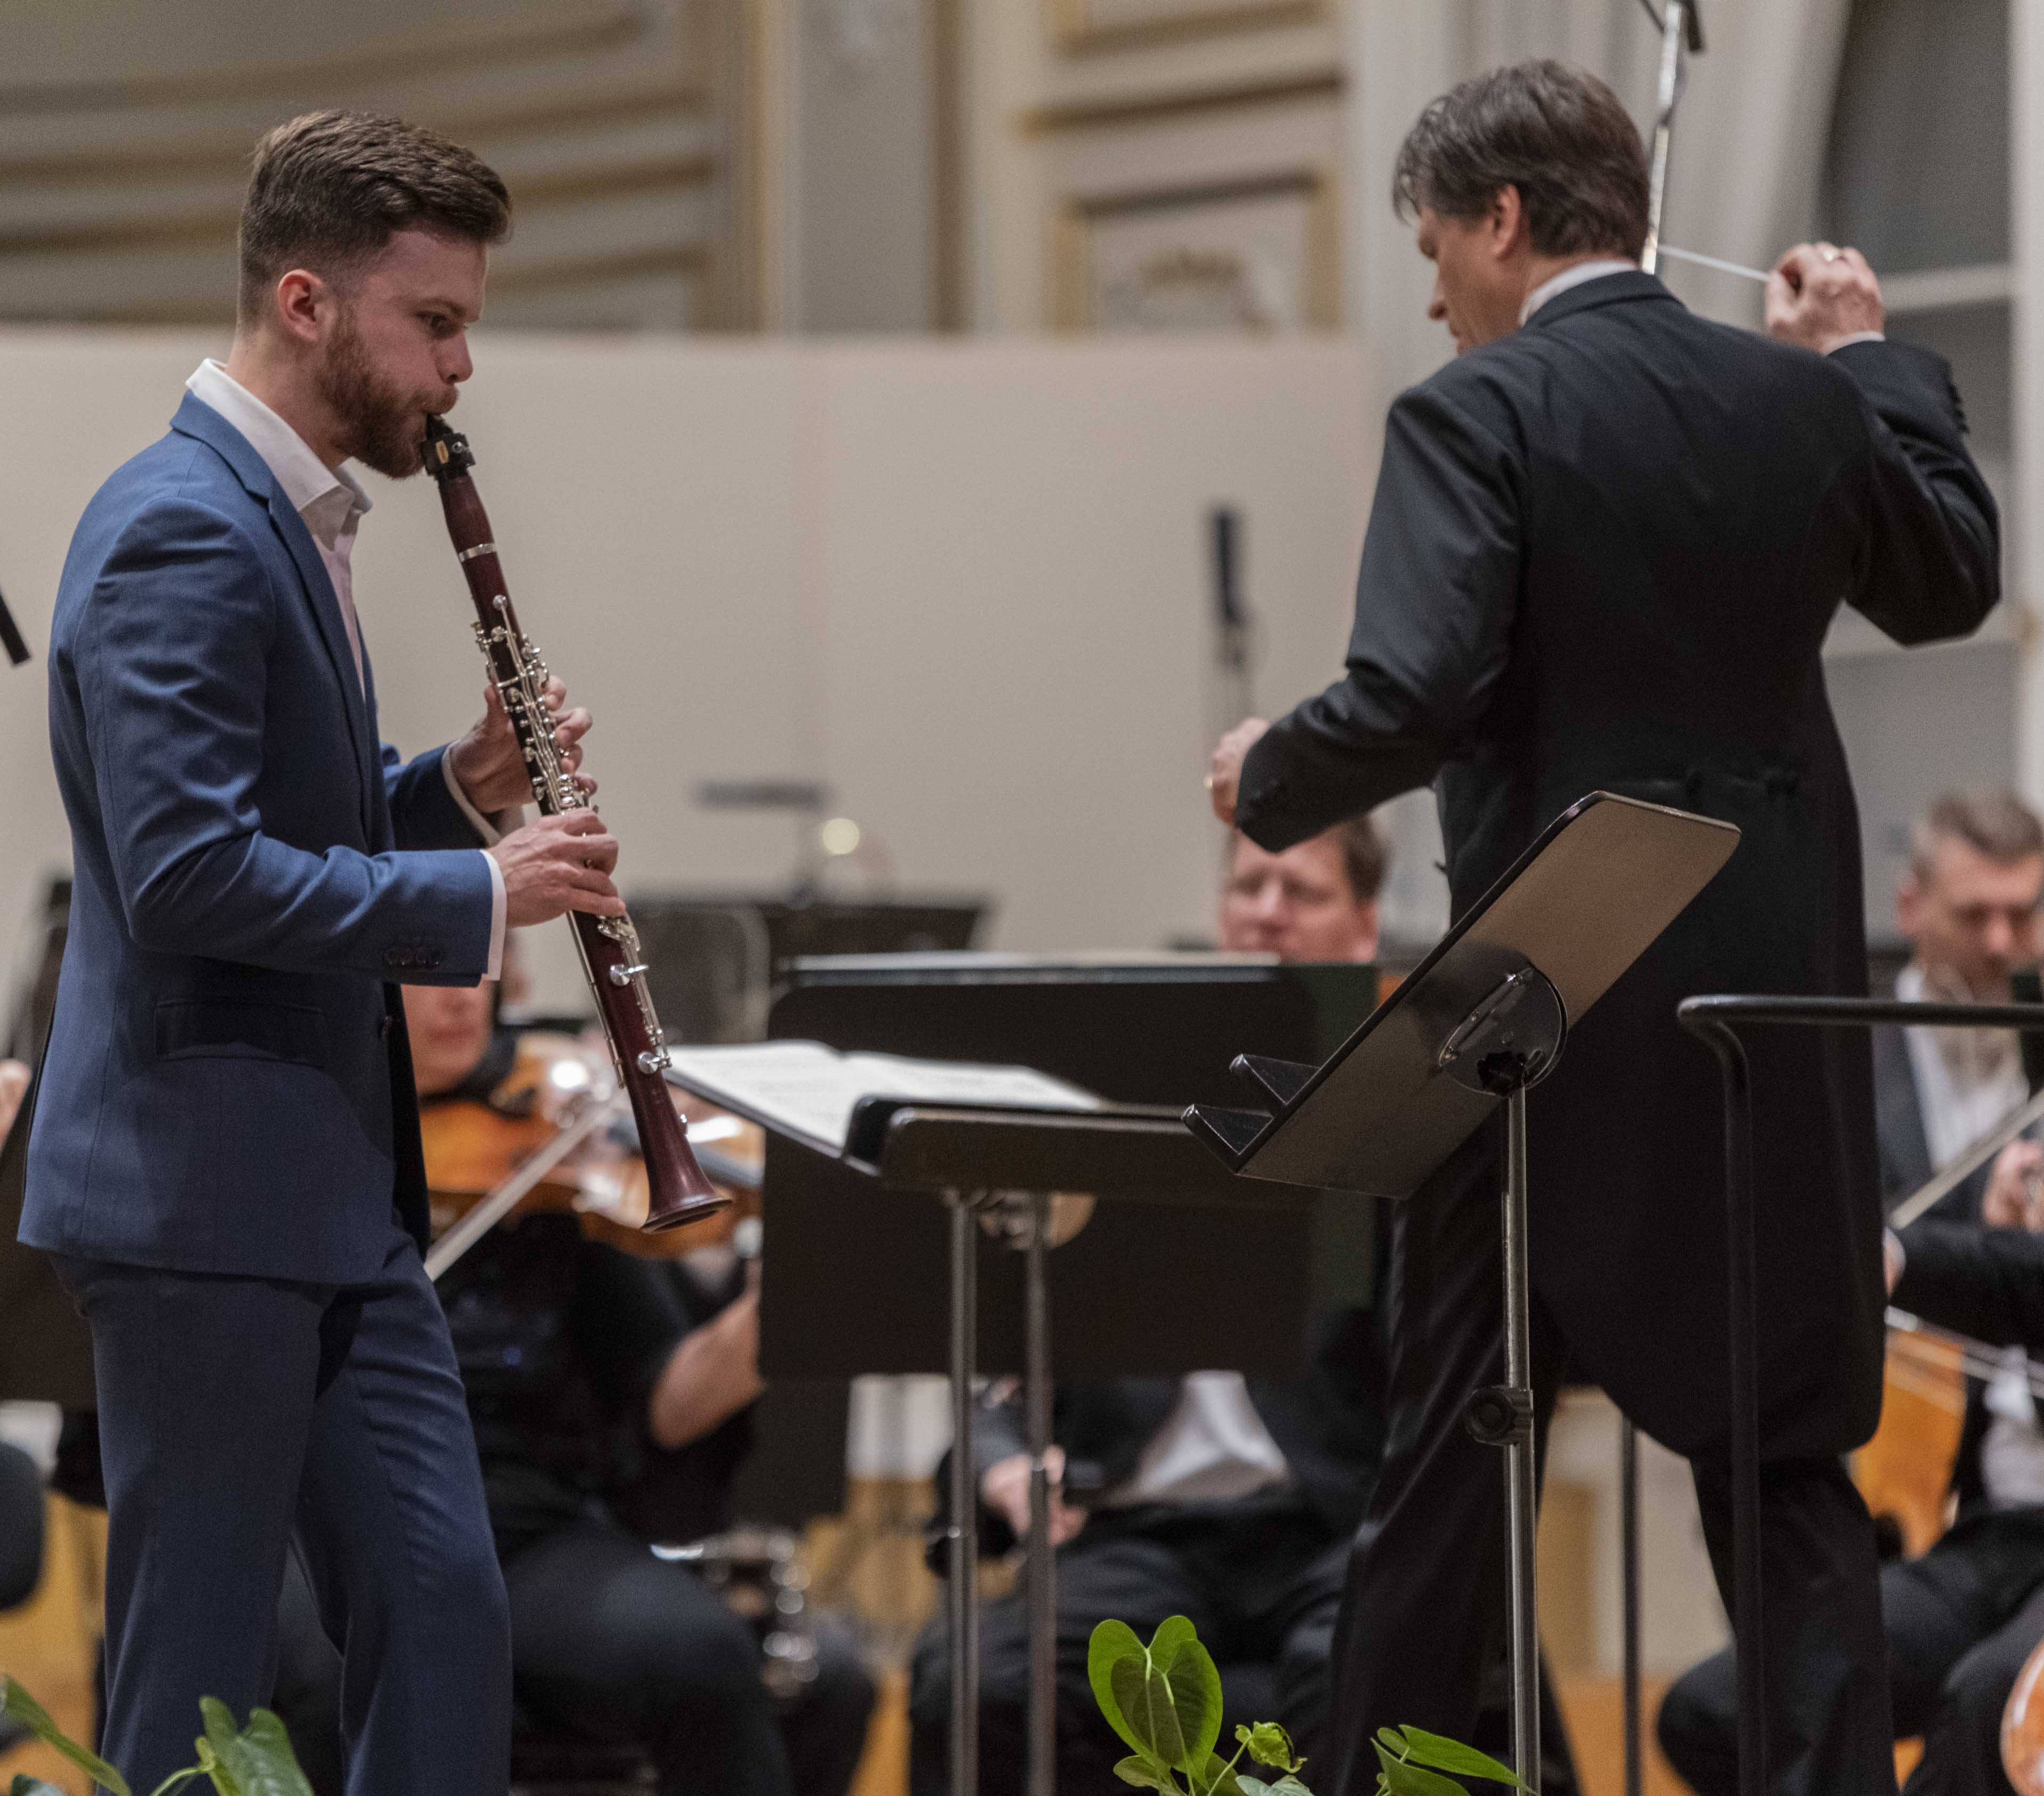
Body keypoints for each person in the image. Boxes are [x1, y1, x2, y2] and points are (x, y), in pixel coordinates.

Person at [1204, 61, 2000, 1796]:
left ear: (1502, 219)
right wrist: (1868, 360)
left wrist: (1270, 771)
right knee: (1782, 1468)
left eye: (1436, 250)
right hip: (1760, 1028)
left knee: (1445, 1473)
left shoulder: (1472, 411)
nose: (1434, 297)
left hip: (1540, 1022)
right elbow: (1951, 582)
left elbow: (1414, 690)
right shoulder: (1800, 403)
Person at [17, 111, 630, 1796]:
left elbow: (295, 810)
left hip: (326, 1190)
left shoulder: (285, 515)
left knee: (442, 1611)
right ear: (306, 301)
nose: (459, 365)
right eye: (433, 322)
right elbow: (186, 872)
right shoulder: (184, 524)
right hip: (201, 1191)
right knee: (198, 1680)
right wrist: (480, 894)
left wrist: (455, 790)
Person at [908, 820, 1581, 1794]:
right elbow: (1010, 1356)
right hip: (1136, 1529)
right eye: (1248, 886)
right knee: (977, 1683)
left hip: (1333, 1525)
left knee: (1381, 1680)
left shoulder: (1416, 1116)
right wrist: (1006, 1464)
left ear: (1362, 922)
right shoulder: (1126, 1094)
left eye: (1301, 891)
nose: (1267, 911)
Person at [276, 966, 875, 1796]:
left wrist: (767, 1314)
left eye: (478, 966)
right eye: (422, 968)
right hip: (316, 1529)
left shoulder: (556, 1152)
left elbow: (659, 1402)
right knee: (315, 1679)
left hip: (521, 1529)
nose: (461, 995)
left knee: (702, 1654)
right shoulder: (293, 1128)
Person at [1873, 794, 2044, 1212]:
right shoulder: (1845, 1051)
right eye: (1972, 915)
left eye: (2021, 914)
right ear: (1909, 907)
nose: (1999, 943)